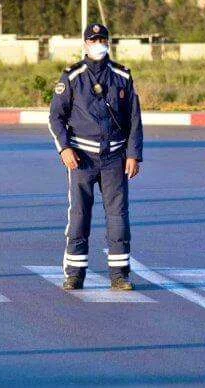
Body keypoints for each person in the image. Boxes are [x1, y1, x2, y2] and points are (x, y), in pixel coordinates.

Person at [48, 23, 143, 291]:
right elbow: (56, 117)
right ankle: (74, 274)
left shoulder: (122, 76)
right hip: (81, 157)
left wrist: (133, 155)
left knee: (118, 217)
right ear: (85, 44)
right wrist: (64, 148)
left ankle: (120, 275)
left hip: (114, 157)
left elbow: (134, 119)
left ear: (108, 42)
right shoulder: (72, 76)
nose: (98, 44)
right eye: (93, 40)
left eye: (102, 39)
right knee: (79, 215)